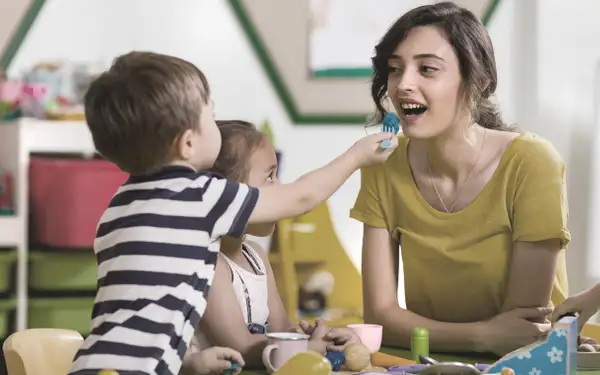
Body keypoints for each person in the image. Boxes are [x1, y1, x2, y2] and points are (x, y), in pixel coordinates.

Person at [67, 51, 397, 375]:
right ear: (187, 144)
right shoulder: (197, 197)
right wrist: (357, 157)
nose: (215, 122)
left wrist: (191, 364)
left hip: (96, 361)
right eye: (210, 116)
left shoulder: (117, 209)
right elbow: (301, 198)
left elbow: (138, 316)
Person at [350, 2, 570, 357]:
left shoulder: (532, 164)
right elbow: (380, 317)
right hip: (428, 364)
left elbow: (520, 331)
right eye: (394, 69)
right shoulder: (382, 164)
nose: (403, 84)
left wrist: (421, 331)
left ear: (478, 81)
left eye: (427, 69)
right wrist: (482, 336)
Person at [182, 120, 360, 372]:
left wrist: (318, 337)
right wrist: (306, 349)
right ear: (229, 194)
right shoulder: (209, 262)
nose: (279, 188)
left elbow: (281, 328)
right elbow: (241, 347)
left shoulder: (257, 256)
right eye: (269, 177)